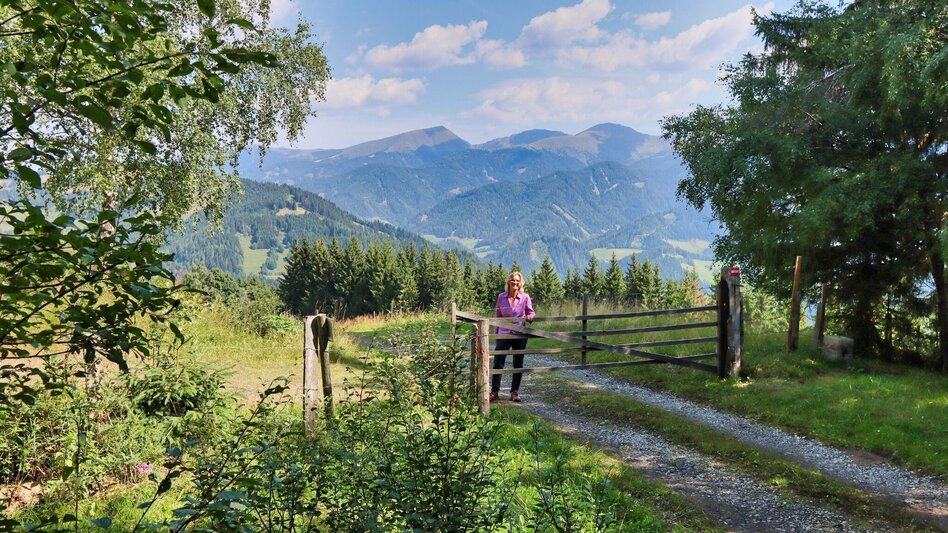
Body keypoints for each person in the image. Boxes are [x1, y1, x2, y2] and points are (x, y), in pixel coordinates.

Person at [491, 271, 535, 402]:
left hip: (519, 334)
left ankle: (514, 392)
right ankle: (494, 391)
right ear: (508, 282)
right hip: (503, 333)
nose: (515, 283)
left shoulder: (525, 297)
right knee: (498, 362)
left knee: (518, 363)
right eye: (513, 280)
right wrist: (496, 333)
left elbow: (531, 313)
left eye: (517, 281)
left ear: (520, 283)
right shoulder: (501, 297)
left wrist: (530, 317)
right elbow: (497, 316)